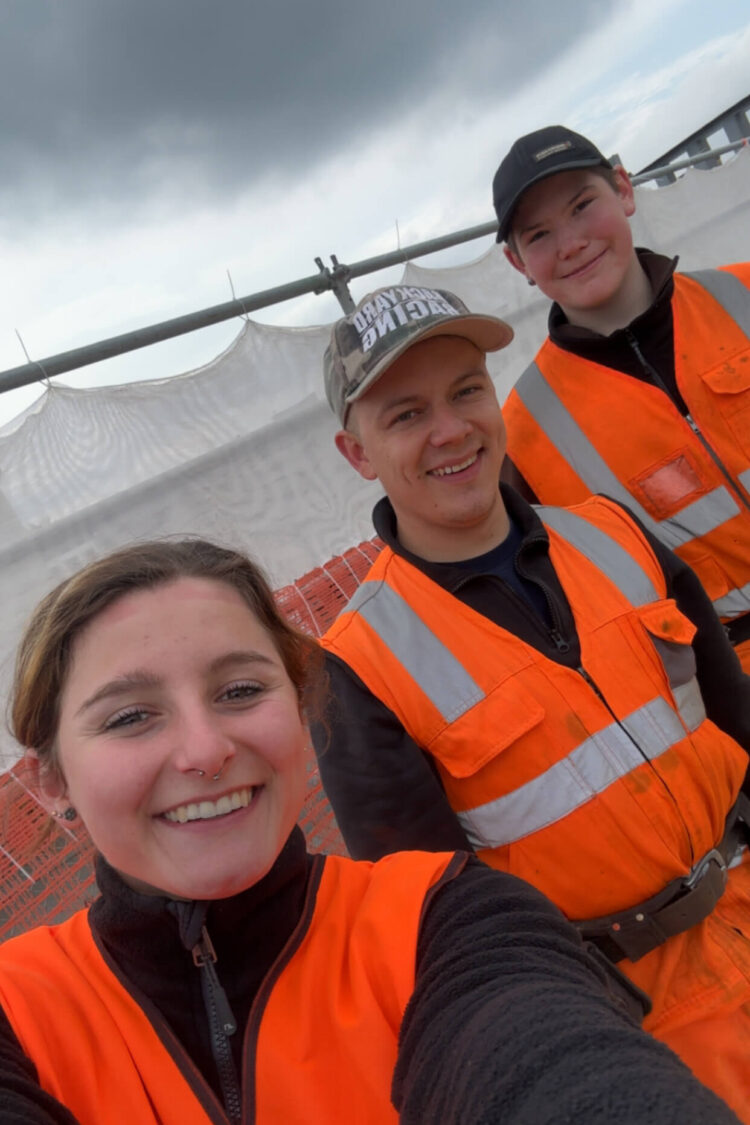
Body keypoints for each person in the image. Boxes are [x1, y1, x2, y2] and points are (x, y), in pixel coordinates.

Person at [1, 540, 735, 1125]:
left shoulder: (445, 917)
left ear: (300, 711)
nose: (206, 750)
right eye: (130, 716)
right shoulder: (16, 1010)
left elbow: (547, 1059)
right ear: (52, 782)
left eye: (241, 690)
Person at [313, 283, 750, 1120]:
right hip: (642, 1029)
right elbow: (447, 920)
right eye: (406, 415)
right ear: (357, 452)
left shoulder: (612, 533)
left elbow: (736, 715)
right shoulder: (359, 665)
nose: (451, 430)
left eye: (466, 391)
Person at [492, 124, 750, 672]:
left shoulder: (743, 295)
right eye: (538, 235)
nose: (570, 244)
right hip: (730, 681)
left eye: (582, 206)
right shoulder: (524, 434)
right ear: (519, 265)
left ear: (625, 190)